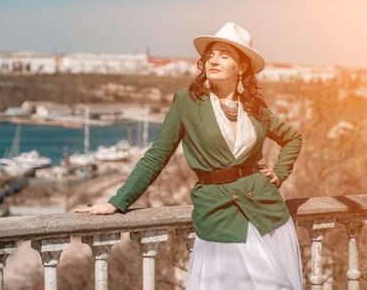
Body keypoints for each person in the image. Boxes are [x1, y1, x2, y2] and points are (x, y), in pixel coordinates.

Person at [75, 22, 303, 289]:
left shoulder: (254, 108)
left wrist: (278, 173)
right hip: (219, 219)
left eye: (224, 55)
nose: (213, 61)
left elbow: (292, 138)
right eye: (210, 55)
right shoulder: (187, 102)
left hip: (267, 215)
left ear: (242, 67)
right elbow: (157, 155)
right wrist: (118, 201)